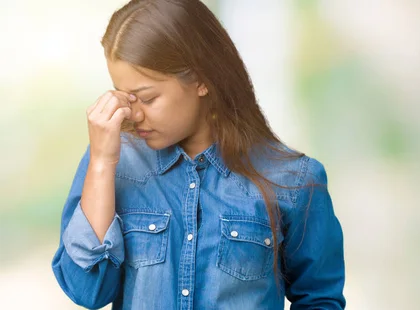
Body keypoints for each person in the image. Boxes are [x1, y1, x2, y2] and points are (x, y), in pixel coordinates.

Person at [50, 0, 346, 309]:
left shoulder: (293, 180)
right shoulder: (114, 162)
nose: (133, 115)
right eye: (126, 97)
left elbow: (320, 299)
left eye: (148, 98)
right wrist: (100, 163)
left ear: (202, 79)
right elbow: (86, 291)